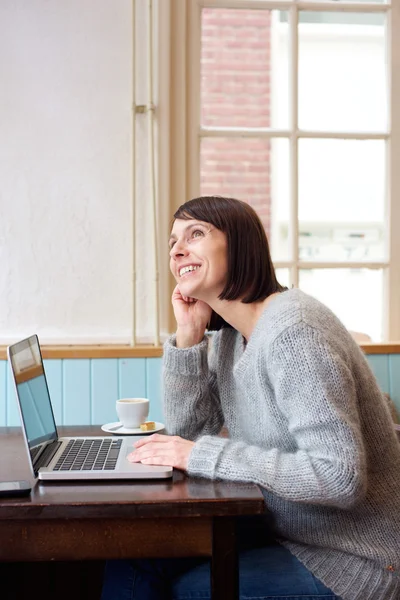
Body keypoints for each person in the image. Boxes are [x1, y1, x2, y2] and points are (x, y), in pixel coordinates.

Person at [101, 196, 400, 600]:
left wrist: (198, 454)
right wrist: (189, 336)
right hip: (287, 531)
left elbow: (339, 476)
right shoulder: (231, 337)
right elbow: (191, 437)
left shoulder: (294, 332)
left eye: (196, 234)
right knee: (131, 552)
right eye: (173, 241)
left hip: (356, 561)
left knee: (182, 589)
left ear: (240, 245)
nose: (177, 249)